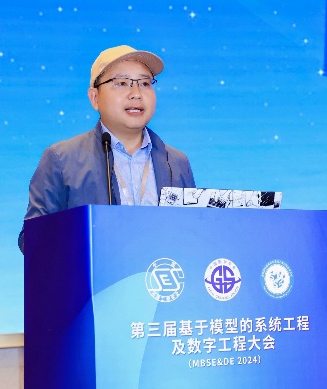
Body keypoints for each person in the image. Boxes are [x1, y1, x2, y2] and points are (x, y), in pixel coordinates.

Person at [18, 45, 196, 252]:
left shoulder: (177, 162)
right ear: (95, 98)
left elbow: (194, 235)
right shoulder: (61, 159)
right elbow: (32, 241)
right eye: (122, 83)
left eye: (145, 83)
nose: (136, 94)